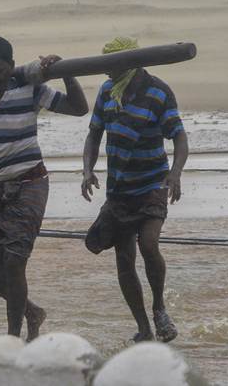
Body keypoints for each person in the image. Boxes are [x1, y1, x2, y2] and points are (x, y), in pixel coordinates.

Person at [0, 36, 88, 340]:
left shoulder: (29, 88)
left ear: (11, 66)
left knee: (14, 261)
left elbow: (78, 108)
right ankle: (32, 312)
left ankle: (13, 337)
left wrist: (66, 71)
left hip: (30, 183)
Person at [81, 37, 188, 343]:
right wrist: (87, 170)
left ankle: (160, 309)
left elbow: (179, 137)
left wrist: (176, 173)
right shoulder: (107, 92)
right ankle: (143, 326)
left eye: (110, 66)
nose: (106, 73)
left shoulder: (158, 91)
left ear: (130, 63)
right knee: (124, 259)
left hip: (152, 183)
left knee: (149, 243)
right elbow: (93, 135)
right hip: (119, 189)